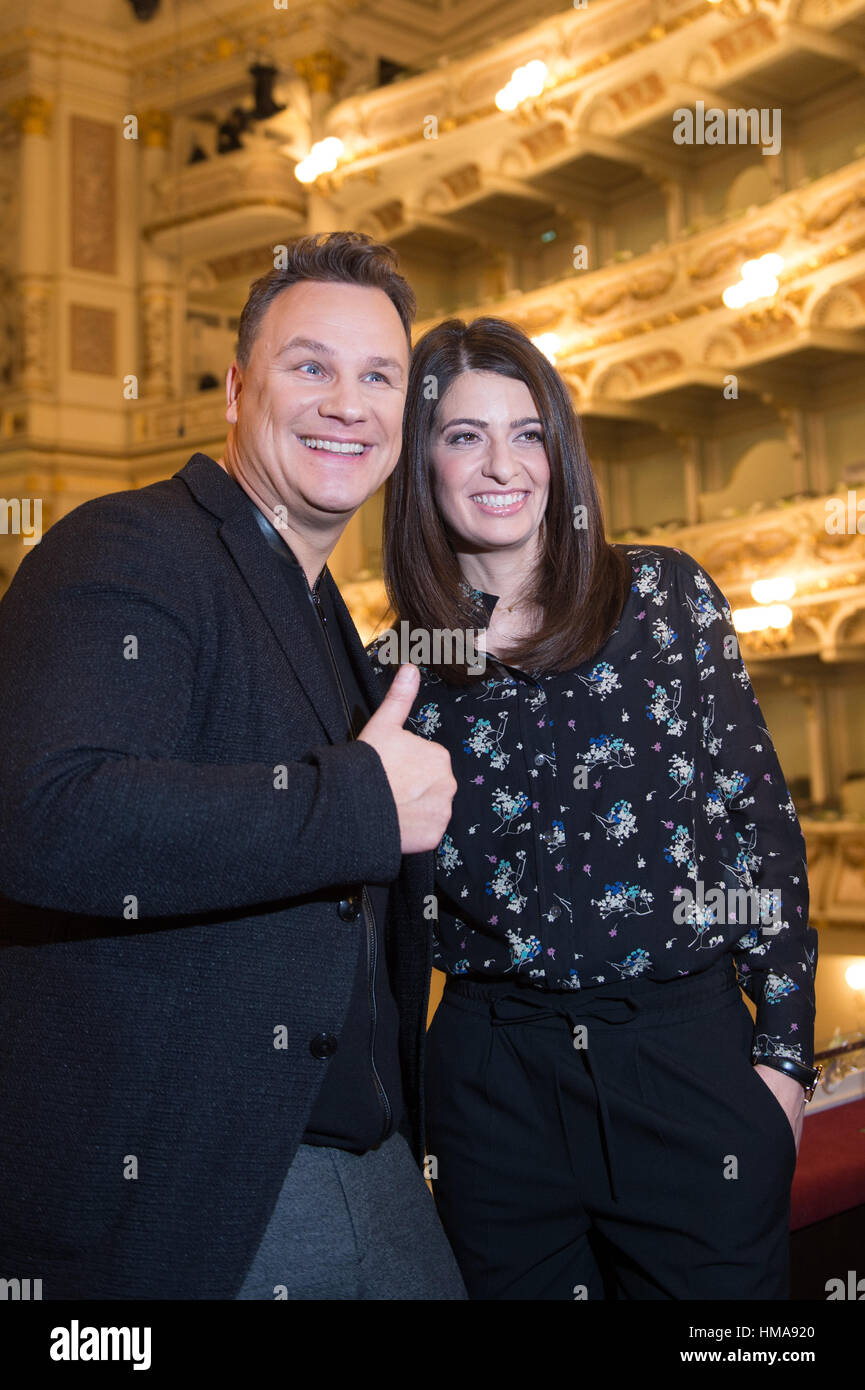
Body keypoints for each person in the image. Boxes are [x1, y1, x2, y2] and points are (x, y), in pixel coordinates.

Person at [0, 231, 465, 1301]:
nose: (347, 403)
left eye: (378, 376)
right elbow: (47, 814)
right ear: (237, 387)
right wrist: (357, 798)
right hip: (202, 1188)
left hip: (367, 1160)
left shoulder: (325, 609)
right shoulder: (128, 543)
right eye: (311, 366)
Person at [369, 315, 820, 1301]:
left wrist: (783, 1062)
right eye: (462, 435)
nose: (502, 464)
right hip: (493, 1085)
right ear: (421, 463)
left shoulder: (663, 597)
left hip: (681, 1058)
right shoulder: (398, 672)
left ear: (559, 451)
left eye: (527, 432)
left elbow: (761, 827)